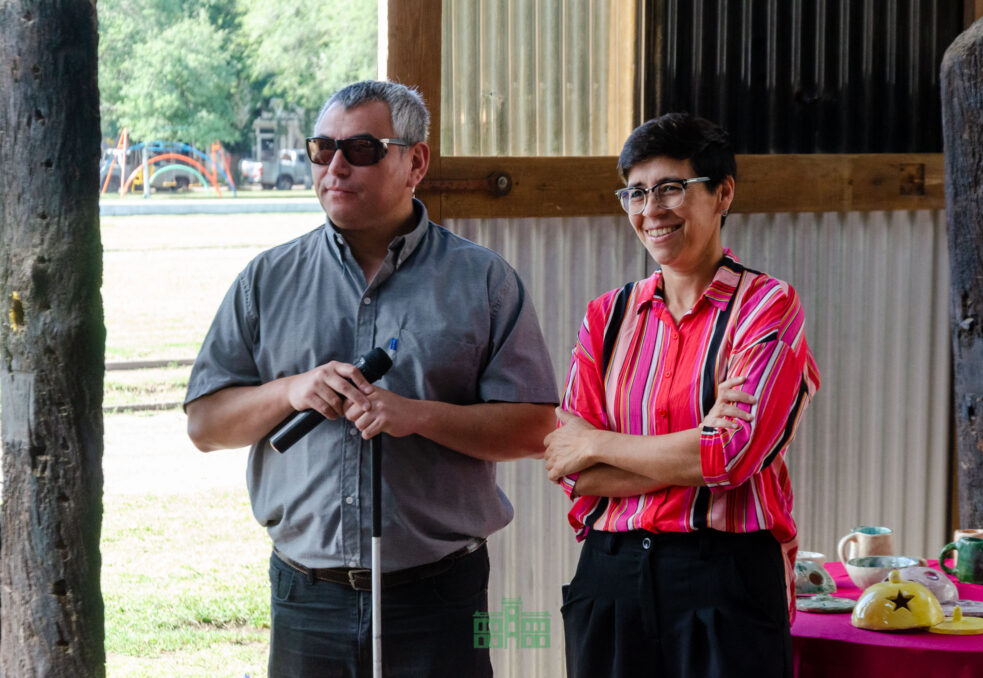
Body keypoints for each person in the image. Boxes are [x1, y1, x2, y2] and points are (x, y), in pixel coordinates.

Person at [185, 80, 557, 678]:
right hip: (306, 594)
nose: (335, 167)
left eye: (361, 149)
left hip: (441, 595)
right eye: (322, 148)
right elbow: (205, 427)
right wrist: (289, 390)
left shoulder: (484, 281)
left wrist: (416, 416)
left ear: (416, 163)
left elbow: (535, 429)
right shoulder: (266, 279)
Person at [544, 111, 820, 677]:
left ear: (723, 194)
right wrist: (695, 445)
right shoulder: (607, 316)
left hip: (724, 579)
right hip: (611, 575)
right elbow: (572, 471)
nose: (651, 209)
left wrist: (599, 441)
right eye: (636, 192)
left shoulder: (766, 305)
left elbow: (731, 456)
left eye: (671, 187)